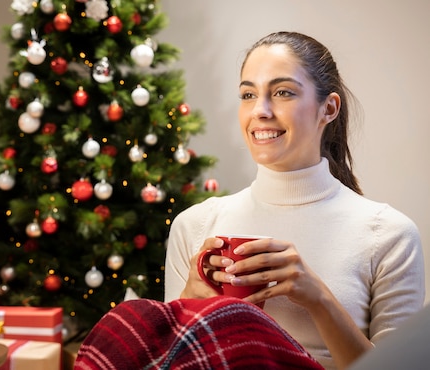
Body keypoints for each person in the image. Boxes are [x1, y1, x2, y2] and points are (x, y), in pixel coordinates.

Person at [164, 31, 425, 370]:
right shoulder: (195, 225)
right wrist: (187, 304)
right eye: (248, 94)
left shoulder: (390, 235)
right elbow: (170, 361)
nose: (260, 110)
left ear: (328, 108)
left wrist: (316, 297)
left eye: (282, 92)